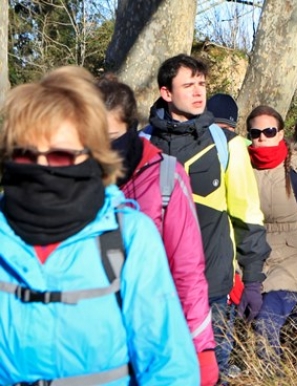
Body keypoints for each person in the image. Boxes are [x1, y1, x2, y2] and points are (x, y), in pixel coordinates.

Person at [0, 66, 198, 384]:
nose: (40, 168)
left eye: (60, 156)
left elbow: (168, 367)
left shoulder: (128, 237)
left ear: (91, 156)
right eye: (24, 155)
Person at [142, 54, 271, 376]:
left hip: (212, 290)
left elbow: (248, 217)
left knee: (211, 375)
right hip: (152, 290)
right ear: (166, 93)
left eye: (202, 84)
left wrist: (252, 280)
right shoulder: (140, 144)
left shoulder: (227, 145)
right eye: (189, 85)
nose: (199, 92)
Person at [97, 75, 218, 385]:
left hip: (157, 333)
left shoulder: (165, 177)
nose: (100, 149)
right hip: (98, 337)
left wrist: (201, 348)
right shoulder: (80, 177)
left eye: (109, 136)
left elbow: (187, 270)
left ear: (130, 128)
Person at [245, 105, 297, 363]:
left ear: (280, 134)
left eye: (269, 131)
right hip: (255, 259)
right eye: (255, 132)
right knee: (284, 330)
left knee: (266, 323)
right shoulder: (241, 168)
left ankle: (273, 376)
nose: (262, 137)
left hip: (293, 257)